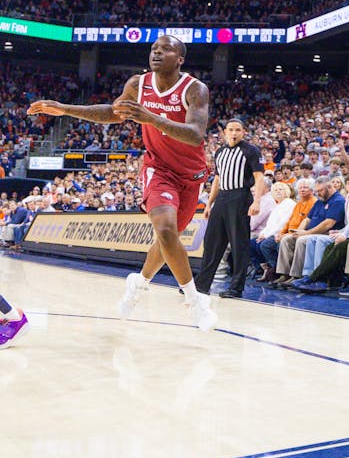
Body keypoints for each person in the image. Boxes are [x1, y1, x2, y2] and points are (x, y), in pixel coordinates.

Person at [27, 36, 217, 331]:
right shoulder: (138, 84)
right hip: (158, 169)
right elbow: (113, 113)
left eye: (166, 49)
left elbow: (195, 134)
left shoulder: (195, 88)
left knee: (167, 241)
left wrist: (151, 118)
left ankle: (139, 283)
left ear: (180, 59)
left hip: (191, 175)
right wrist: (65, 108)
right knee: (166, 230)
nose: (157, 53)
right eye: (154, 49)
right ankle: (195, 302)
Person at [194, 118, 267, 299]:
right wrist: (209, 204)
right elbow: (217, 180)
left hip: (240, 196)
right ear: (225, 132)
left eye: (237, 130)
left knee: (238, 243)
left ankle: (236, 288)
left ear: (243, 132)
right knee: (211, 243)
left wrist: (257, 201)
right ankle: (201, 285)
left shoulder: (251, 150)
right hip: (222, 198)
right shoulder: (220, 152)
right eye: (231, 130)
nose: (234, 133)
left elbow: (259, 177)